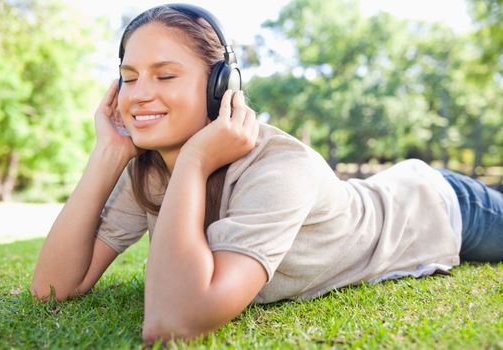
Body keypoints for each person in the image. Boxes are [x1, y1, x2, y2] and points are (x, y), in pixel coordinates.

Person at [31, 3, 503, 344]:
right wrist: (106, 156)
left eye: (166, 75)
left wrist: (195, 161)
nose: (139, 94)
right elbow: (51, 289)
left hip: (441, 207)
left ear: (222, 88)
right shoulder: (152, 168)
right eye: (129, 77)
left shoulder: (280, 166)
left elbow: (171, 322)